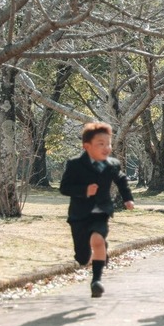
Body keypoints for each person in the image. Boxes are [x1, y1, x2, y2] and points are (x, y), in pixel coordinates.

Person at [59, 122, 135, 298]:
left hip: (101, 212)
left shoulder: (112, 165)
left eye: (108, 143)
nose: (106, 148)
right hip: (79, 215)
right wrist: (84, 191)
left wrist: (128, 198)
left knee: (98, 240)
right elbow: (64, 188)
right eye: (100, 144)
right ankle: (91, 254)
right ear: (87, 146)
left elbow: (122, 181)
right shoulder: (75, 164)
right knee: (82, 257)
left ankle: (96, 281)